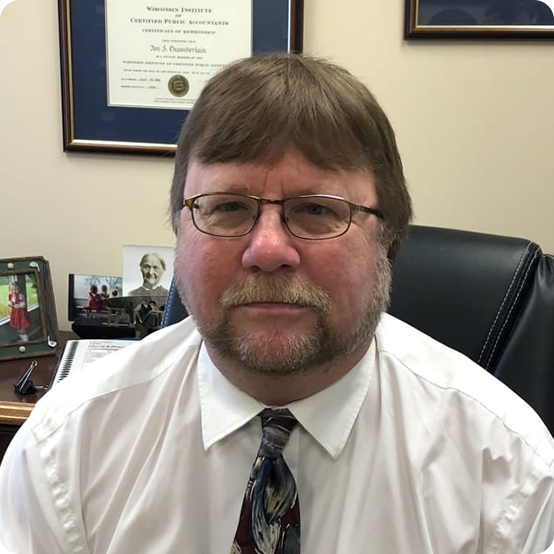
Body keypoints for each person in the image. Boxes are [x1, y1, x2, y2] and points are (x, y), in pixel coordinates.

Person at [0, 54, 553, 553]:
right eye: (228, 207)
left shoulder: (507, 473)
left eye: (316, 209)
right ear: (179, 233)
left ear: (387, 238)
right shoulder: (64, 451)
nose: (267, 250)